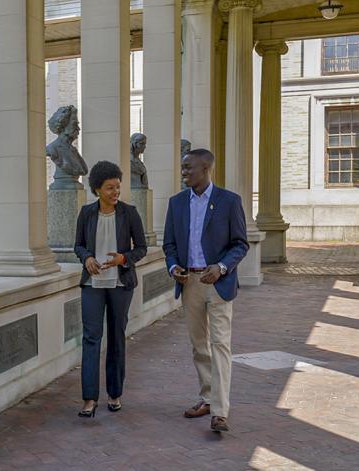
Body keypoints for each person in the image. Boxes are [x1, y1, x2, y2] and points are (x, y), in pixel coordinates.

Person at [162, 148, 249, 432]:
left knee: (220, 344)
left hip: (218, 283)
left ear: (205, 168)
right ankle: (207, 398)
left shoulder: (229, 201)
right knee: (199, 346)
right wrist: (174, 266)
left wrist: (222, 267)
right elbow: (170, 245)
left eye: (188, 167)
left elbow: (240, 244)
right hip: (190, 284)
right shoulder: (176, 203)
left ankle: (220, 412)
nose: (183, 172)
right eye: (182, 167)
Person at [74, 160, 147, 418]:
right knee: (91, 338)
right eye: (109, 188)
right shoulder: (86, 213)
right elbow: (79, 245)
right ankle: (89, 399)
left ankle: (115, 394)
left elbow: (141, 248)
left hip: (120, 284)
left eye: (117, 187)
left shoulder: (130, 213)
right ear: (96, 189)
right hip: (92, 285)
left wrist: (123, 259)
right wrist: (86, 258)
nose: (115, 192)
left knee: (116, 338)